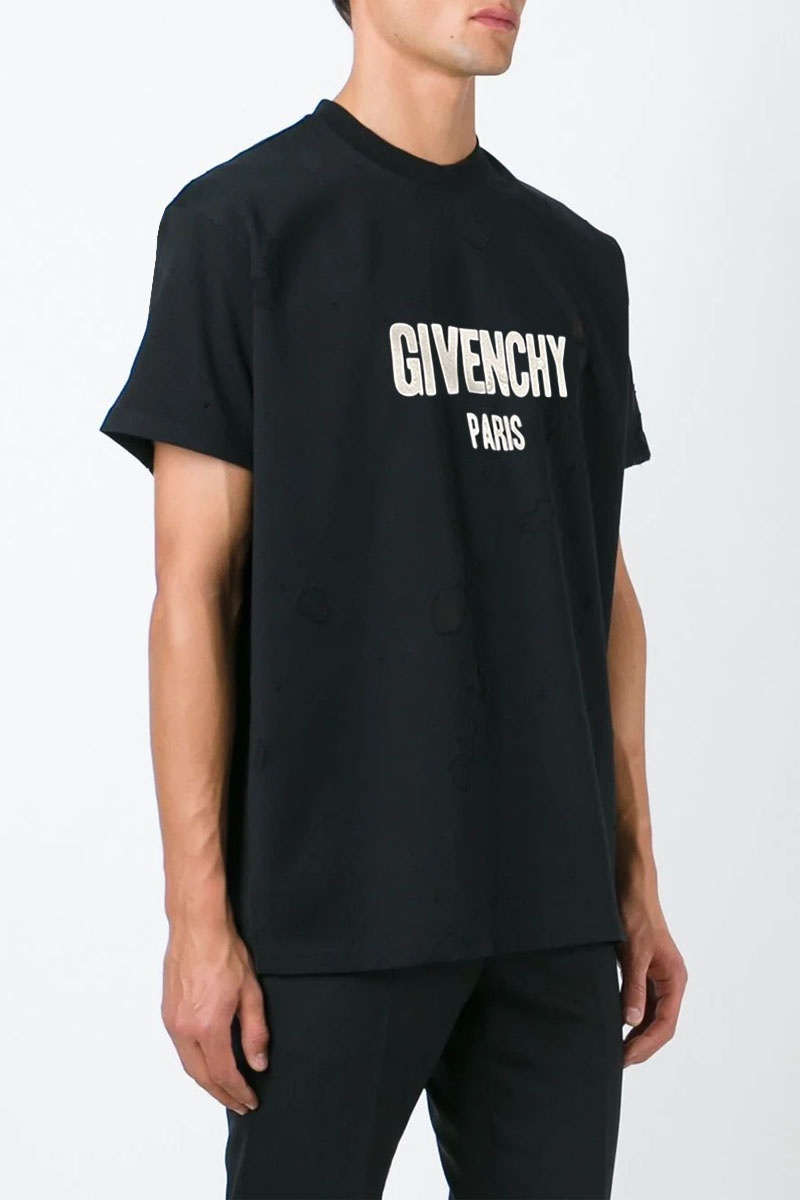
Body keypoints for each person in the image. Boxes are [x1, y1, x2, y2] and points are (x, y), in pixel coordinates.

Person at [99, 1, 688, 1196]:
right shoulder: (242, 226)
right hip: (332, 907)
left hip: (551, 909)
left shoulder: (575, 263)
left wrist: (632, 874)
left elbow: (601, 587)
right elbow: (191, 594)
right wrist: (196, 920)